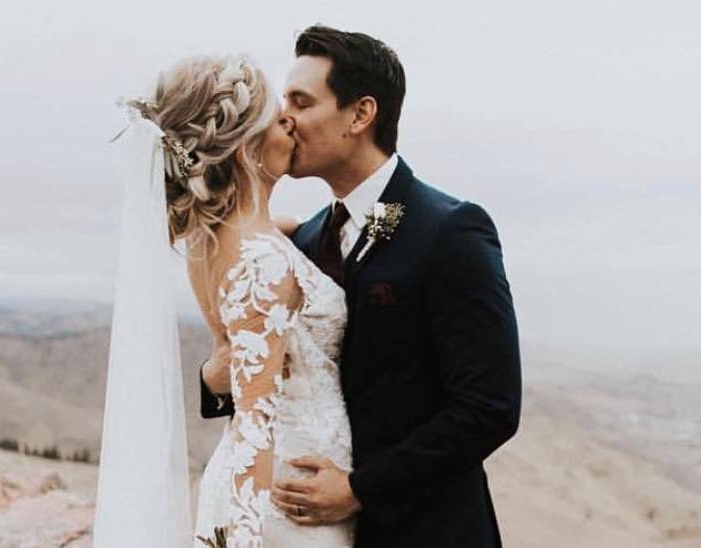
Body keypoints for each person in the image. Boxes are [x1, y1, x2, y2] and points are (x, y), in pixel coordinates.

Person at [201, 26, 523, 547]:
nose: (284, 118)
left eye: (301, 102)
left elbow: (490, 407)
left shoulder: (449, 230)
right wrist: (213, 381)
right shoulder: (302, 240)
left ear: (359, 114)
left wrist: (361, 488)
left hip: (427, 531)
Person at [98, 53, 358, 547]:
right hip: (282, 499)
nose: (291, 126)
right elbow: (257, 425)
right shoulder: (262, 257)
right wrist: (245, 539)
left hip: (282, 483)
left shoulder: (213, 239)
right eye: (279, 121)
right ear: (245, 150)